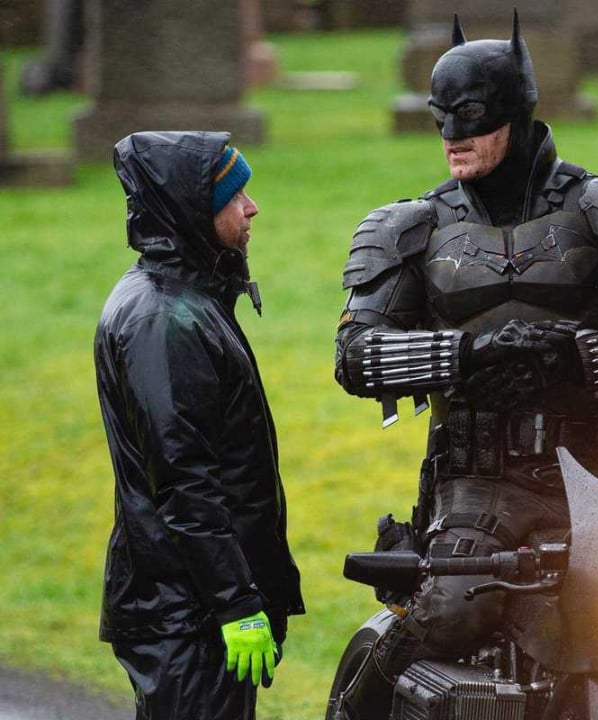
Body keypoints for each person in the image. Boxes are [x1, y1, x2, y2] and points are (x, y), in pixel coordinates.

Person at [333, 12, 598, 712]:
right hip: (473, 487)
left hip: (597, 481)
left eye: (469, 117)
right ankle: (360, 703)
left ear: (517, 112)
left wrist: (581, 357)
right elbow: (356, 355)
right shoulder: (409, 226)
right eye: (440, 117)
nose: (452, 136)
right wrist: (464, 353)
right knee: (448, 613)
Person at [94, 131, 304, 719]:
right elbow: (184, 481)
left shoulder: (190, 296)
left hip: (189, 604)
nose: (251, 206)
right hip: (186, 614)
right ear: (192, 208)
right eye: (235, 196)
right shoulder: (164, 320)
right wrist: (236, 605)